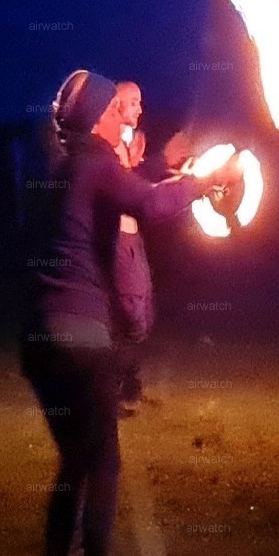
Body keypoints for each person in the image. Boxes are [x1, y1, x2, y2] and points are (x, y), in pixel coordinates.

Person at [20, 69, 241, 556]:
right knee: (105, 464)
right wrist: (205, 180)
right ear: (97, 113)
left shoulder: (60, 169)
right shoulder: (95, 164)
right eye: (113, 106)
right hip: (81, 338)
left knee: (75, 459)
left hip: (37, 339)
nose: (123, 113)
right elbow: (151, 206)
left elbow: (137, 190)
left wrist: (174, 173)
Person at [111, 81, 153, 413]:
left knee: (140, 314)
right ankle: (113, 389)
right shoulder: (107, 146)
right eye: (133, 102)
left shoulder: (126, 144)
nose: (140, 108)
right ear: (117, 106)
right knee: (129, 313)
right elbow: (123, 190)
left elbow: (139, 190)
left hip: (132, 239)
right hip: (119, 241)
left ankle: (127, 382)